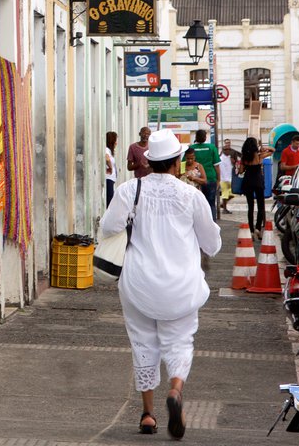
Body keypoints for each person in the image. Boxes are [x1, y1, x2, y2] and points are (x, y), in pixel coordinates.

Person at [99, 129, 221, 439]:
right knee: (179, 341)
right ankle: (176, 389)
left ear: (149, 160)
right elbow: (212, 244)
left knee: (143, 343)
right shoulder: (190, 195)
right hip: (181, 285)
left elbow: (109, 226)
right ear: (177, 160)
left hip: (138, 283)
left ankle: (148, 415)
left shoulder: (130, 190)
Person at [238, 137, 274, 239]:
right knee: (261, 206)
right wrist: (264, 148)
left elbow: (240, 171)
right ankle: (258, 228)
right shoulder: (259, 155)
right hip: (258, 181)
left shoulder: (244, 157)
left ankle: (251, 230)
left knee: (250, 207)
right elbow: (272, 151)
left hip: (248, 182)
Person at [189, 130, 220, 219]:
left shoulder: (191, 148)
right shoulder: (212, 147)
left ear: (196, 137)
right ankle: (213, 224)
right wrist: (218, 179)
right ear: (205, 137)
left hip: (195, 181)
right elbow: (216, 166)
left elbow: (184, 163)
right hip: (210, 178)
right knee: (211, 204)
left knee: (197, 204)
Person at [219, 140, 239, 214]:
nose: (227, 150)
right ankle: (224, 208)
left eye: (228, 143)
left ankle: (223, 205)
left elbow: (236, 162)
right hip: (223, 177)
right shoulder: (221, 155)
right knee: (224, 194)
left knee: (232, 194)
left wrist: (233, 162)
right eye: (226, 143)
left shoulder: (233, 152)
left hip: (231, 176)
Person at [105, 131, 119, 205]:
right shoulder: (106, 150)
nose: (116, 143)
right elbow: (106, 158)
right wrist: (110, 167)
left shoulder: (109, 151)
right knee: (110, 202)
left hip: (110, 180)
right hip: (108, 179)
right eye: (116, 140)